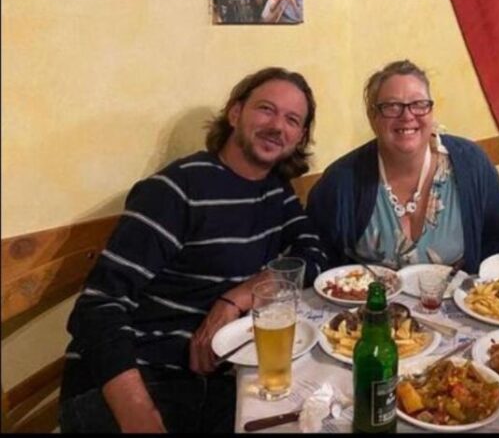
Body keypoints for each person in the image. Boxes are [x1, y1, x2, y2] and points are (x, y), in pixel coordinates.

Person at [59, 67, 332, 433]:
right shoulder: (176, 190)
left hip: (214, 379)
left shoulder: (276, 191)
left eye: (292, 119)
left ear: (299, 137)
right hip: (136, 380)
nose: (277, 125)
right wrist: (137, 412)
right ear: (235, 113)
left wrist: (236, 297)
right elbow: (99, 305)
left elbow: (314, 254)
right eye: (266, 109)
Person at [307, 60, 499, 273]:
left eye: (418, 104)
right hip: (371, 305)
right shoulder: (341, 180)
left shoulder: (473, 164)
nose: (407, 116)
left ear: (431, 111)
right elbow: (317, 261)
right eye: (392, 106)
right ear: (373, 117)